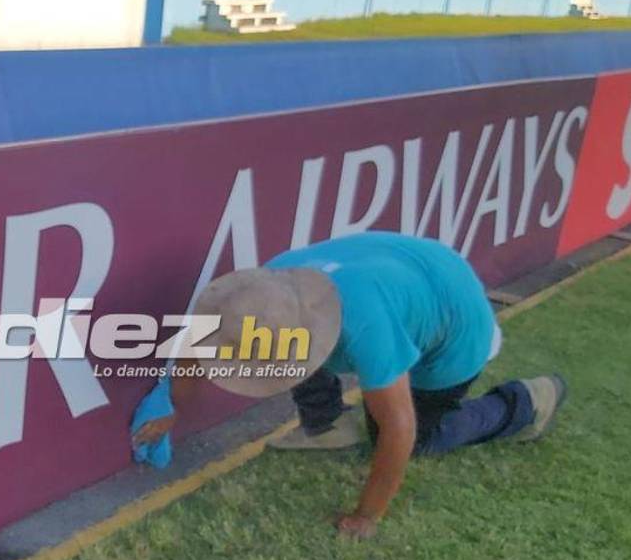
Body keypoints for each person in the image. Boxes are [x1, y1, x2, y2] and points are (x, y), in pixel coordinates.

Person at [131, 231, 566, 540]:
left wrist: (367, 516)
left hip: (455, 316)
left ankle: (524, 404)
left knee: (416, 438)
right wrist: (168, 402)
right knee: (291, 362)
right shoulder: (264, 291)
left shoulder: (367, 328)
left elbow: (400, 427)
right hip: (405, 268)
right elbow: (204, 337)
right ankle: (326, 423)